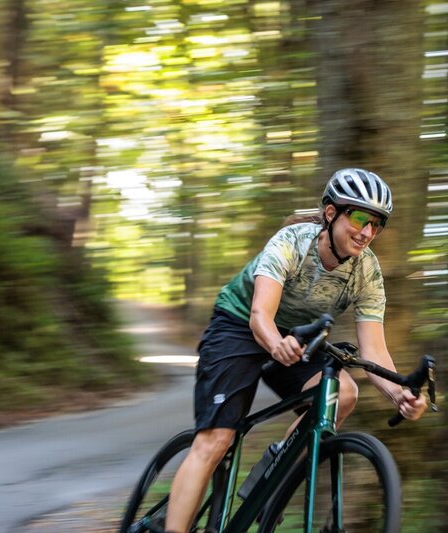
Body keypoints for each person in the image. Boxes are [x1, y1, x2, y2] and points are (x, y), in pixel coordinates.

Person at [164, 168, 428, 533]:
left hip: (298, 335)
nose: (367, 232)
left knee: (343, 393)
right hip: (240, 323)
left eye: (377, 224)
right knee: (217, 439)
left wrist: (400, 395)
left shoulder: (367, 271)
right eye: (361, 218)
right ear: (332, 213)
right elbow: (260, 315)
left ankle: (272, 474)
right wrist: (276, 345)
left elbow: (375, 353)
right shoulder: (291, 241)